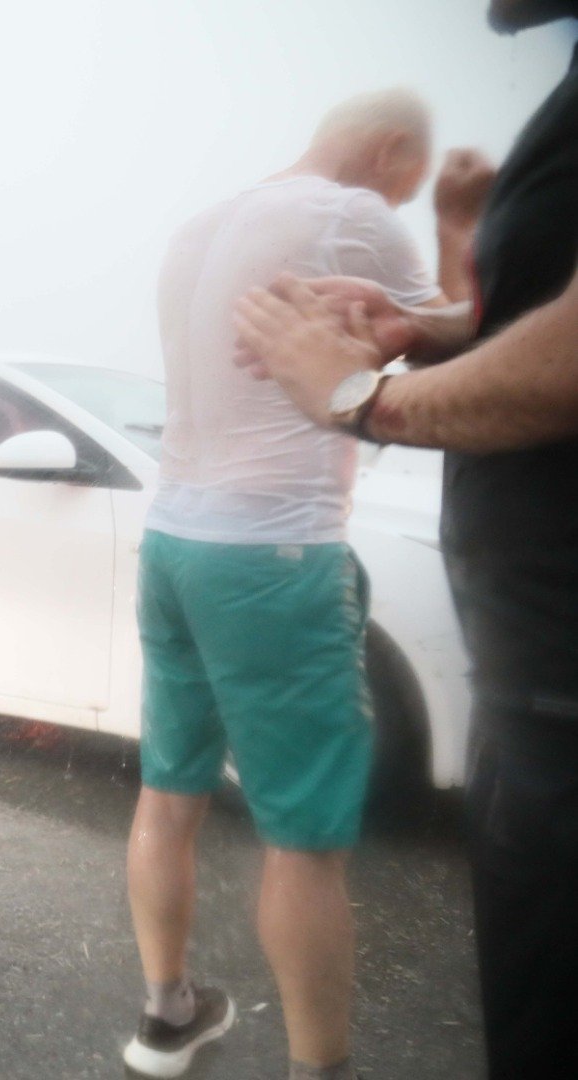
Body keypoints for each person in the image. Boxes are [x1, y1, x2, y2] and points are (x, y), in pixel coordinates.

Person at [233, 5, 578, 1075]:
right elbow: (531, 316)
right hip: (532, 676)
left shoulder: (257, 217)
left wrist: (361, 395)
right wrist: (418, 324)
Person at [122, 88, 476, 1080]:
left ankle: (166, 1016)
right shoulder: (348, 217)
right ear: (397, 154)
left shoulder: (201, 228)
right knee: (304, 841)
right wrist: (455, 231)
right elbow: (467, 333)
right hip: (274, 554)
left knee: (168, 793)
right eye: (417, 180)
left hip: (174, 541)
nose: (407, 199)